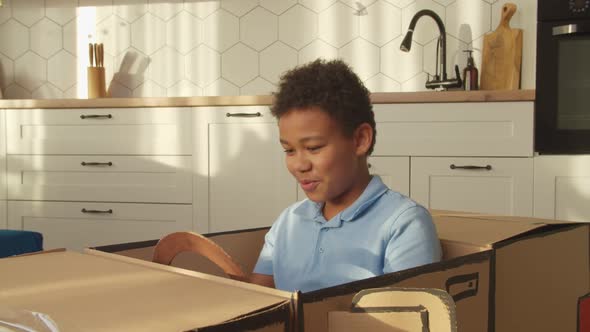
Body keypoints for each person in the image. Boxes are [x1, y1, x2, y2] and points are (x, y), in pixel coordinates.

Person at [249, 59, 441, 292]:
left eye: (314, 147)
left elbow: (405, 318)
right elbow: (258, 301)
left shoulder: (403, 224)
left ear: (360, 140)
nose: (299, 165)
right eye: (289, 150)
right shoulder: (287, 223)